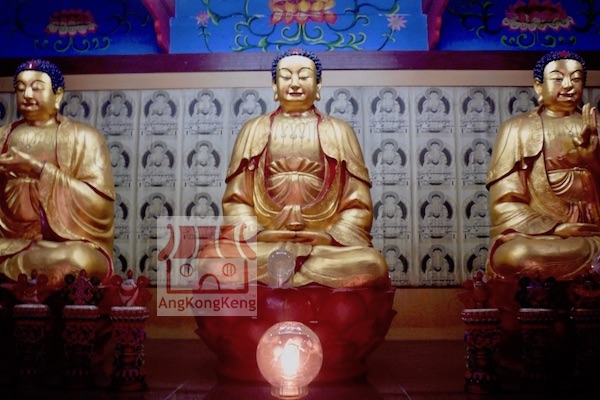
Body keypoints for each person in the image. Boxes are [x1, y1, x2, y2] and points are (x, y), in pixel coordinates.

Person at [201, 49, 388, 288]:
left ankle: (289, 276)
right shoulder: (253, 130)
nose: (295, 83)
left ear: (318, 85)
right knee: (210, 261)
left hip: (322, 247)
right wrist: (260, 234)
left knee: (372, 264)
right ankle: (302, 278)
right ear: (274, 85)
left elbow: (358, 204)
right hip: (265, 243)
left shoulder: (340, 132)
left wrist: (328, 237)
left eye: (304, 76)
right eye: (286, 77)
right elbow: (236, 200)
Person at [486, 51, 600, 282]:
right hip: (542, 237)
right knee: (516, 255)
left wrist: (593, 161)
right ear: (538, 86)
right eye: (557, 78)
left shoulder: (596, 127)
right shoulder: (516, 129)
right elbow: (503, 203)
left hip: (593, 233)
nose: (568, 85)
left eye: (576, 79)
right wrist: (555, 229)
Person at [0, 59, 115, 287]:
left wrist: (39, 170)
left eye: (36, 88)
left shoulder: (85, 137)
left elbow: (100, 207)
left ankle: (21, 268)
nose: (27, 95)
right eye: (20, 89)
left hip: (66, 245)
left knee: (78, 260)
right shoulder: (3, 136)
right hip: (11, 242)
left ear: (58, 94)